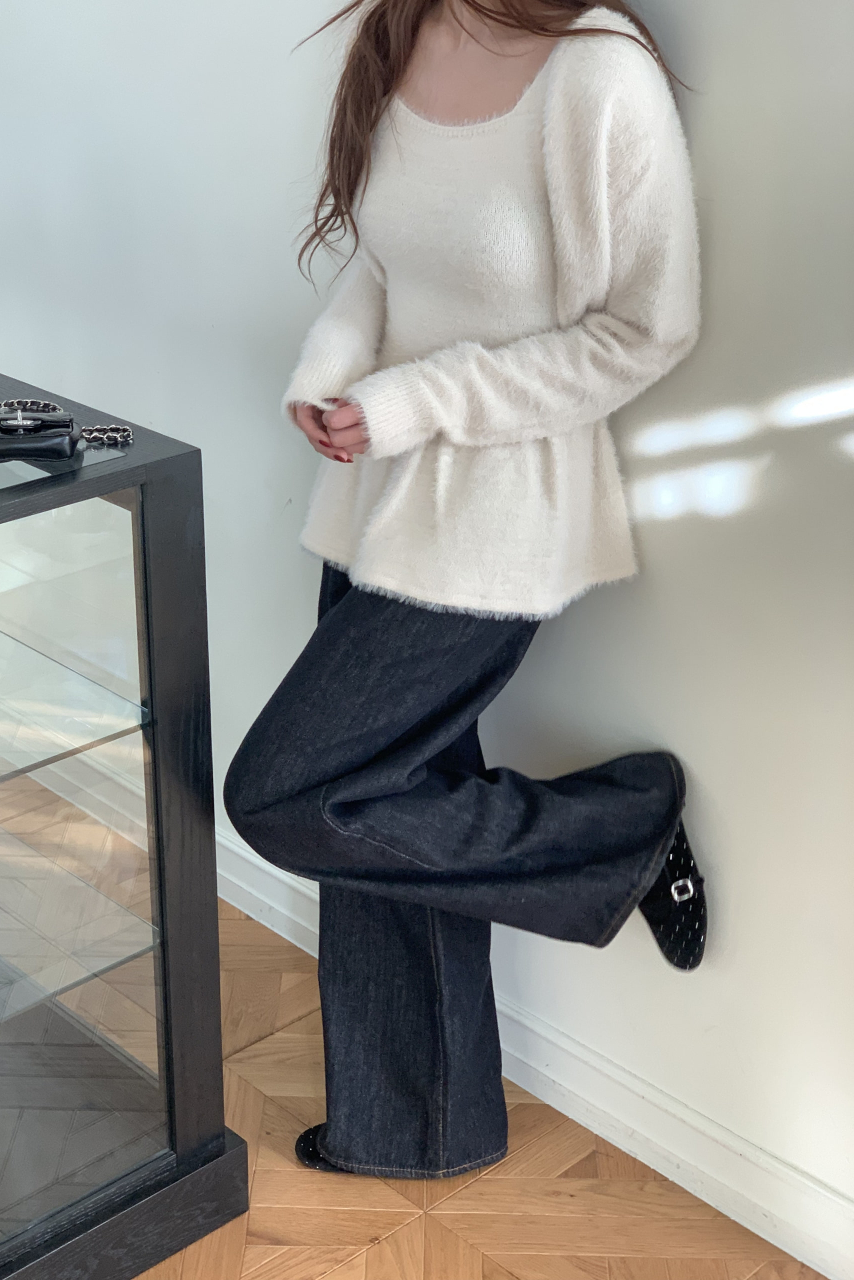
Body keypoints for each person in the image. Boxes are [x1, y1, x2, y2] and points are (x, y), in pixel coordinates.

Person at [224, 0, 704, 1181]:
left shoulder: (597, 73)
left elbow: (646, 331)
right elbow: (388, 259)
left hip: (497, 519)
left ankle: (623, 829)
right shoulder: (397, 32)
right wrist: (332, 371)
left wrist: (415, 401)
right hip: (375, 499)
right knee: (390, 804)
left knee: (284, 793)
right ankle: (417, 1129)